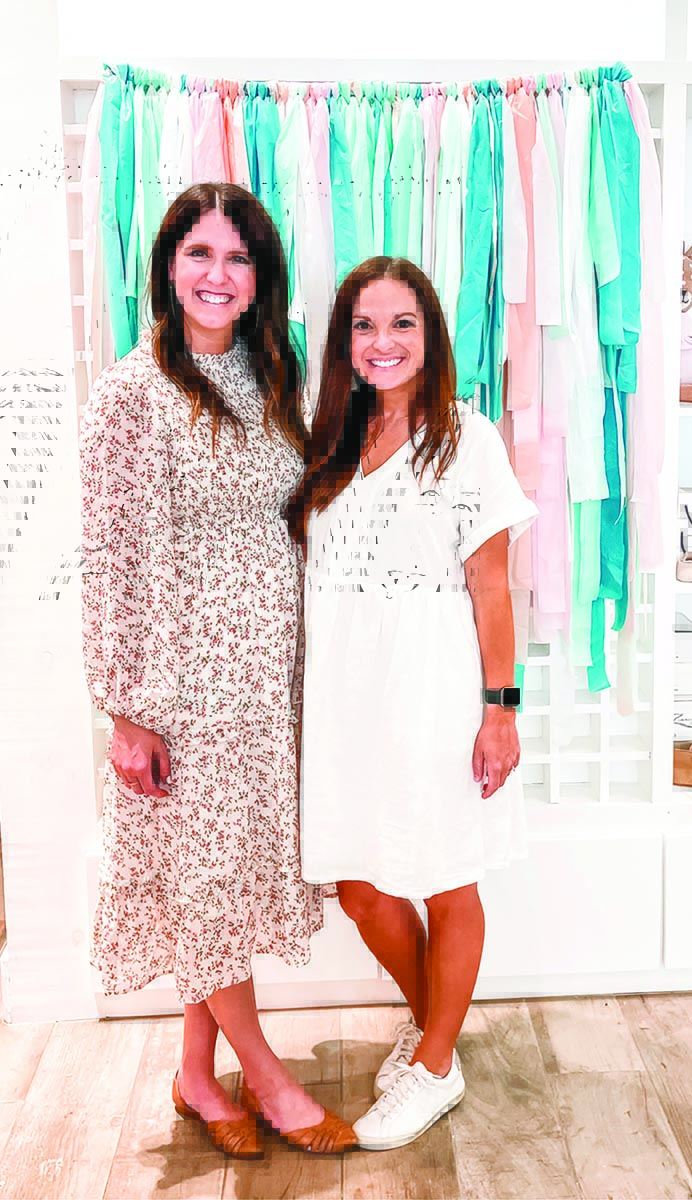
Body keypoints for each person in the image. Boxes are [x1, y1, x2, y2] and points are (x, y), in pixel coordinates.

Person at [79, 182, 357, 1157]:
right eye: (198, 253)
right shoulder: (131, 393)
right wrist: (125, 709)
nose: (217, 275)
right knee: (203, 878)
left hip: (267, 682)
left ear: (258, 276)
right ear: (166, 267)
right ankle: (268, 1077)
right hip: (183, 686)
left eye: (237, 258)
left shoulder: (267, 372)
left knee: (228, 875)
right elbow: (108, 557)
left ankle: (198, 1073)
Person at [289, 256, 539, 1150]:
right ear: (344, 342)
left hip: (434, 690)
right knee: (361, 886)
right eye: (364, 325)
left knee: (444, 877)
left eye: (402, 323)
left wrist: (501, 709)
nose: (382, 342)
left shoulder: (467, 438)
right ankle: (436, 1028)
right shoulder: (327, 434)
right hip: (343, 696)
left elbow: (492, 586)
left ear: (430, 335)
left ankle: (432, 1064)